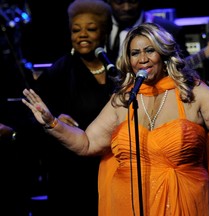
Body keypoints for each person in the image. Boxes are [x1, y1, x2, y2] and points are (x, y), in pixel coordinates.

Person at [22, 22, 209, 215]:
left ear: (163, 53)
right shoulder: (123, 99)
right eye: (135, 53)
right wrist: (52, 123)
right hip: (132, 204)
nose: (142, 59)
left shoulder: (192, 91)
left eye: (150, 50)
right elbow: (88, 144)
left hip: (184, 203)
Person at [33, 0, 116, 215]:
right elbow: (37, 110)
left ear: (104, 32)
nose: (82, 35)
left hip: (114, 161)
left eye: (91, 29)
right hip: (73, 169)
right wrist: (55, 118)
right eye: (76, 30)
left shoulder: (118, 66)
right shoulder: (59, 71)